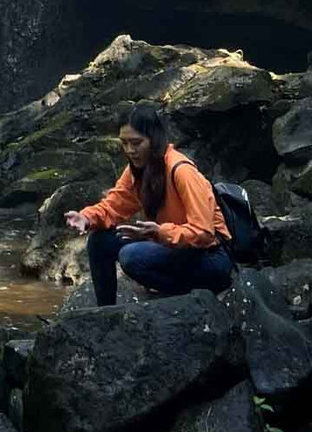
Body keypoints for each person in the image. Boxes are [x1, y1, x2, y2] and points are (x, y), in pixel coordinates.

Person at [64, 101, 233, 307]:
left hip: (210, 257)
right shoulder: (138, 169)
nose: (130, 150)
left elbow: (203, 233)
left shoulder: (181, 171)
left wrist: (160, 233)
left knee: (131, 256)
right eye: (124, 143)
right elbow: (115, 205)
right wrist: (86, 217)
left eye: (136, 143)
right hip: (172, 245)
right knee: (99, 242)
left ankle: (187, 299)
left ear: (154, 139)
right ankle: (105, 313)